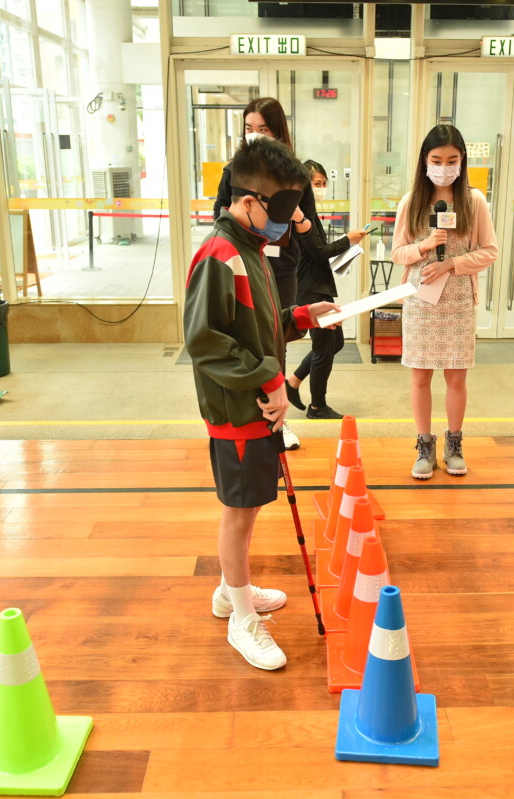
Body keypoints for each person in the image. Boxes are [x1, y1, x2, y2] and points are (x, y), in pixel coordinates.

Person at [185, 136, 341, 670]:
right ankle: (241, 618)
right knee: (239, 510)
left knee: (250, 504)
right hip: (236, 409)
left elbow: (255, 325)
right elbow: (205, 340)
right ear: (249, 201)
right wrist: (268, 376)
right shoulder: (219, 256)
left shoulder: (251, 249)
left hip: (257, 403)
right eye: (282, 209)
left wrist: (300, 317)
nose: (289, 220)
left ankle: (232, 590)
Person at [391, 124, 498, 479]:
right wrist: (424, 245)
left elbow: (489, 251)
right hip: (420, 300)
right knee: (420, 377)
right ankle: (424, 445)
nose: (444, 167)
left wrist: (451, 264)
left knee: (456, 378)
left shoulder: (474, 201)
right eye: (437, 160)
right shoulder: (411, 202)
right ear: (425, 160)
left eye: (452, 160)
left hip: (458, 300)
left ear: (462, 161)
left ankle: (454, 444)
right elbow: (397, 253)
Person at [214, 98, 314, 449]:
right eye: (249, 128)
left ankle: (277, 418)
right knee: (245, 334)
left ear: (278, 132)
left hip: (280, 265)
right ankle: (255, 414)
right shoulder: (234, 174)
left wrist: (296, 216)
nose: (254, 135)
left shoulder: (294, 175)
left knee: (274, 337)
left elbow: (311, 232)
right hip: (245, 260)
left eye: (263, 129)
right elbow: (212, 340)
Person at [286, 160, 370, 419]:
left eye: (324, 183)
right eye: (316, 184)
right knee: (324, 348)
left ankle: (293, 381)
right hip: (310, 288)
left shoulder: (309, 214)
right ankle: (317, 406)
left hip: (318, 285)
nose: (321, 188)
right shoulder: (300, 216)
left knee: (336, 342)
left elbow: (317, 251)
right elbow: (319, 252)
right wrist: (348, 240)